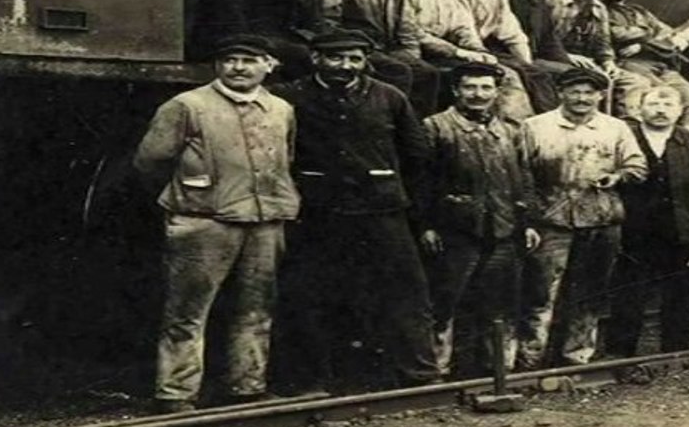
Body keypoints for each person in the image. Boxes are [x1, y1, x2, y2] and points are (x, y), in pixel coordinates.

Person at [132, 35, 299, 414]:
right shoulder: (187, 106)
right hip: (203, 223)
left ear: (269, 65)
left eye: (249, 60)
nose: (238, 67)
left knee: (257, 309)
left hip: (265, 221)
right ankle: (176, 394)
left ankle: (247, 388)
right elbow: (151, 161)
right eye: (230, 60)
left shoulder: (280, 109)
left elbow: (286, 158)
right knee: (186, 312)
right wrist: (189, 200)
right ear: (217, 65)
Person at [269, 30, 439, 390]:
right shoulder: (289, 97)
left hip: (380, 210)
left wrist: (410, 208)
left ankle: (417, 374)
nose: (345, 66)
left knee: (405, 291)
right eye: (335, 58)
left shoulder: (389, 97)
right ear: (316, 58)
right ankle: (310, 380)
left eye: (354, 59)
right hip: (317, 212)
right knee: (310, 293)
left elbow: (417, 156)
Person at [417, 63, 542, 378]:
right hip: (455, 230)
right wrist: (426, 225)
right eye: (470, 87)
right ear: (456, 90)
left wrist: (526, 221)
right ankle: (439, 371)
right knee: (446, 300)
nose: (478, 94)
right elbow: (421, 180)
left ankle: (494, 369)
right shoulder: (436, 127)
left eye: (486, 88)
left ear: (496, 92)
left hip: (503, 228)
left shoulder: (511, 129)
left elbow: (524, 179)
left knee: (499, 303)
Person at [518, 67, 649, 369]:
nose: (581, 98)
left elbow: (638, 166)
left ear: (600, 95)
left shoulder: (615, 128)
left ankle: (576, 357)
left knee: (591, 291)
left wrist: (617, 176)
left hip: (601, 220)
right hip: (552, 222)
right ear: (561, 93)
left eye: (589, 92)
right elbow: (521, 173)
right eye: (574, 91)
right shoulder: (535, 127)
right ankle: (530, 358)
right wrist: (530, 217)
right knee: (540, 293)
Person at [603, 87, 689, 356]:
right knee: (630, 292)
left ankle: (674, 350)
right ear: (639, 109)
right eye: (653, 104)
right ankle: (621, 352)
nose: (661, 110)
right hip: (634, 230)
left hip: (680, 229)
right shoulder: (623, 138)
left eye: (668, 104)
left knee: (678, 291)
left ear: (679, 110)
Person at [307, 0, 442, 114]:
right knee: (397, 71)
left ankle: (414, 127)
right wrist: (354, 53)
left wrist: (411, 56)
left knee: (427, 73)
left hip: (386, 49)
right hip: (351, 47)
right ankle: (385, 124)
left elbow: (406, 30)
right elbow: (326, 23)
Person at [397, 0, 533, 119]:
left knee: (499, 72)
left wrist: (478, 51)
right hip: (414, 52)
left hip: (440, 54)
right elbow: (412, 32)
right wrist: (458, 52)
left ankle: (507, 125)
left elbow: (463, 28)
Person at [441, 0, 558, 112]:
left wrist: (526, 62)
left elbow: (513, 34)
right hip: (454, 50)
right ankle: (514, 124)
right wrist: (481, 56)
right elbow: (464, 29)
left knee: (536, 73)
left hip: (479, 51)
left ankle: (545, 121)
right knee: (509, 78)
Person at [598, 0, 689, 127]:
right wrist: (649, 34)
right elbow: (618, 35)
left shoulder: (639, 11)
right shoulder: (599, 9)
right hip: (628, 63)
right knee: (664, 95)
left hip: (660, 64)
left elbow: (668, 35)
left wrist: (642, 44)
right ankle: (636, 137)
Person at [501, 0, 578, 111]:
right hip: (505, 55)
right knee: (538, 76)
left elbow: (549, 39)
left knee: (577, 76)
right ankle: (546, 119)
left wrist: (566, 64)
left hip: (532, 57)